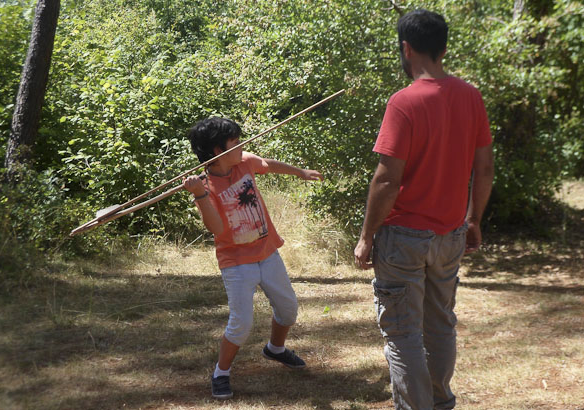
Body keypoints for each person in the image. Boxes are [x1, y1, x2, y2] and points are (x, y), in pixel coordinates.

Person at [354, 9, 494, 410]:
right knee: (439, 324)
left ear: (406, 48)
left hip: (404, 238)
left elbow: (386, 180)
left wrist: (366, 237)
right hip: (450, 234)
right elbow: (484, 169)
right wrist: (474, 220)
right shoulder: (470, 96)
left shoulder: (403, 102)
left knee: (402, 334)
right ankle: (439, 402)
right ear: (444, 48)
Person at [183, 117, 323, 399]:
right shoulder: (205, 186)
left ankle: (276, 349)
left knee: (288, 310)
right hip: (237, 263)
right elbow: (218, 230)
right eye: (235, 142)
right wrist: (199, 196)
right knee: (242, 322)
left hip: (267, 253)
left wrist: (299, 172)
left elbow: (268, 164)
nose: (242, 145)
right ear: (216, 151)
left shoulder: (243, 162)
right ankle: (221, 372)